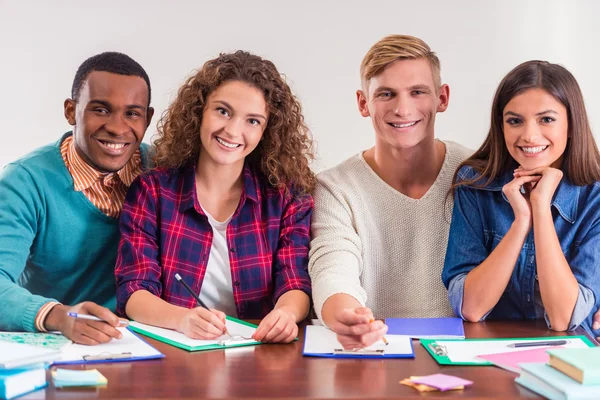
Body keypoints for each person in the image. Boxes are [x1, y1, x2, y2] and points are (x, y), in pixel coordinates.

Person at [115, 51, 315, 344]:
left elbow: (295, 279)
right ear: (199, 112)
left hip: (259, 354)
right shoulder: (153, 191)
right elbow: (134, 289)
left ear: (267, 130)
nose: (233, 130)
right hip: (176, 355)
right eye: (223, 111)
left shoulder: (287, 198)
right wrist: (181, 319)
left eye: (253, 121)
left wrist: (286, 313)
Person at [308, 34, 471, 349]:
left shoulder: (475, 173)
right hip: (377, 351)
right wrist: (348, 318)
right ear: (363, 103)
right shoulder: (336, 186)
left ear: (442, 98)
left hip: (466, 352)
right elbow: (332, 265)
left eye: (417, 92)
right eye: (386, 94)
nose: (402, 108)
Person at [0, 52, 154, 344]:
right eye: (101, 109)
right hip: (61, 345)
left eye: (132, 113)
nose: (117, 128)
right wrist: (60, 316)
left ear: (147, 118)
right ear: (71, 111)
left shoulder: (161, 171)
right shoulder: (24, 181)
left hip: (149, 344)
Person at [442, 60, 600, 334]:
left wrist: (540, 208)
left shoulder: (595, 197)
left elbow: (564, 317)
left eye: (546, 119)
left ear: (571, 125)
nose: (529, 136)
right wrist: (521, 222)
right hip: (486, 358)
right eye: (515, 121)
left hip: (568, 365)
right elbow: (471, 307)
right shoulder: (475, 184)